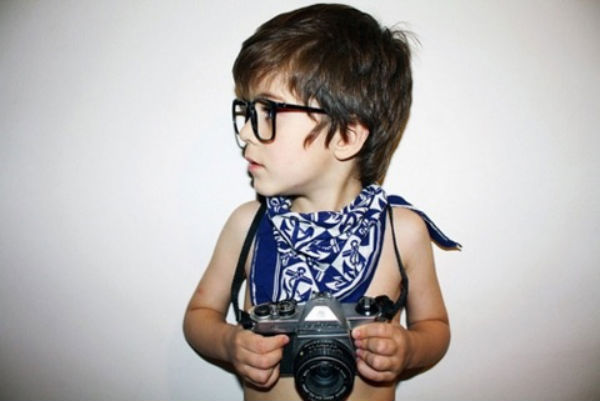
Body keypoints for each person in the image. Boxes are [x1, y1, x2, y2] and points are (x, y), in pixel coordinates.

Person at [183, 4, 460, 400]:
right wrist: (229, 343)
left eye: (269, 111)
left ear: (346, 136)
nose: (245, 132)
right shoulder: (248, 226)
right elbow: (199, 317)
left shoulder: (401, 232)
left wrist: (409, 348)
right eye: (247, 110)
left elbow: (435, 326)